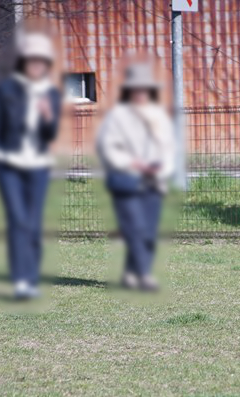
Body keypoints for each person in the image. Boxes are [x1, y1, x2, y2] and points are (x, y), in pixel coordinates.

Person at [0, 32, 61, 299]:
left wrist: (48, 116)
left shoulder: (50, 93)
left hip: (38, 168)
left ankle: (31, 277)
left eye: (42, 62)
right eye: (32, 61)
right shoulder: (6, 91)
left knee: (34, 224)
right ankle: (21, 282)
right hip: (9, 167)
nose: (37, 66)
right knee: (18, 221)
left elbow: (50, 135)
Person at [97, 62, 175, 291]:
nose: (140, 93)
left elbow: (168, 149)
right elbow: (107, 148)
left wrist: (161, 169)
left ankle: (131, 272)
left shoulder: (158, 115)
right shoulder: (117, 116)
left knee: (148, 231)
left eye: (144, 89)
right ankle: (144, 275)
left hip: (153, 182)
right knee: (136, 228)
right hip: (126, 180)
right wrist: (132, 163)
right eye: (136, 89)